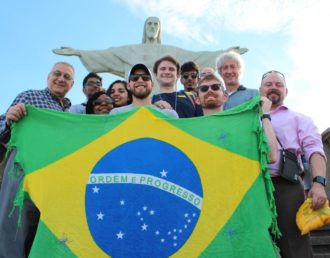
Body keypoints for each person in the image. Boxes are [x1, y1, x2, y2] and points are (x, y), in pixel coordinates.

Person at [52, 16, 247, 93]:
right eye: (149, 24)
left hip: (164, 98)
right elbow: (106, 55)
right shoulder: (130, 50)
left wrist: (224, 53)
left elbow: (196, 57)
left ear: (160, 29)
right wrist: (79, 52)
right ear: (145, 29)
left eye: (156, 24)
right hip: (137, 99)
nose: (152, 27)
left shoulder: (169, 51)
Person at [0, 62, 75, 257]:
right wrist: (9, 120)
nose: (61, 79)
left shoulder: (71, 114)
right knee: (15, 225)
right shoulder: (30, 96)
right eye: (57, 74)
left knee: (44, 230)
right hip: (24, 169)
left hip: (54, 178)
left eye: (66, 77)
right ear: (48, 77)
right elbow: (3, 127)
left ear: (72, 84)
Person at [259, 70, 327, 258]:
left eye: (278, 85)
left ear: (286, 91)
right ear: (260, 90)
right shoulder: (247, 119)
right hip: (254, 187)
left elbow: (314, 150)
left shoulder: (299, 119)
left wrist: (319, 183)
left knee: (294, 245)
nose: (273, 87)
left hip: (286, 186)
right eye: (269, 84)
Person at [195, 73, 277, 163]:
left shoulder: (241, 128)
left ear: (225, 97)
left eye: (215, 87)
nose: (209, 90)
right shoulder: (191, 132)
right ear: (197, 99)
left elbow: (271, 157)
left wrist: (265, 114)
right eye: (204, 89)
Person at [110, 63, 178, 118]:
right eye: (135, 78)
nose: (140, 80)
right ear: (128, 85)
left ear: (152, 85)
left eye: (145, 77)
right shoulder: (117, 114)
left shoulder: (169, 115)